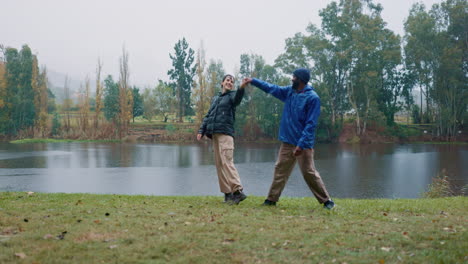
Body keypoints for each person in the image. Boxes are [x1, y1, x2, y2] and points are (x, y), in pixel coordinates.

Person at [241, 68, 335, 209]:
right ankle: (271, 200)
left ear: (301, 80)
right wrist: (254, 81)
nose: (291, 79)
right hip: (287, 142)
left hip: (303, 144)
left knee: (309, 173)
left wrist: (301, 145)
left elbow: (311, 125)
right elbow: (271, 88)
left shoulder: (313, 98)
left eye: (294, 77)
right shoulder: (289, 92)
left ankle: (327, 201)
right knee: (280, 170)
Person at [197, 74, 247, 205]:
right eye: (227, 80)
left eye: (232, 81)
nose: (229, 82)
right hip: (215, 135)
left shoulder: (232, 96)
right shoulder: (216, 98)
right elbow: (209, 115)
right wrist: (201, 130)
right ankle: (228, 194)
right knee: (219, 165)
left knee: (227, 162)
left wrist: (241, 88)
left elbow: (238, 99)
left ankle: (238, 192)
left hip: (226, 134)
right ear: (222, 83)